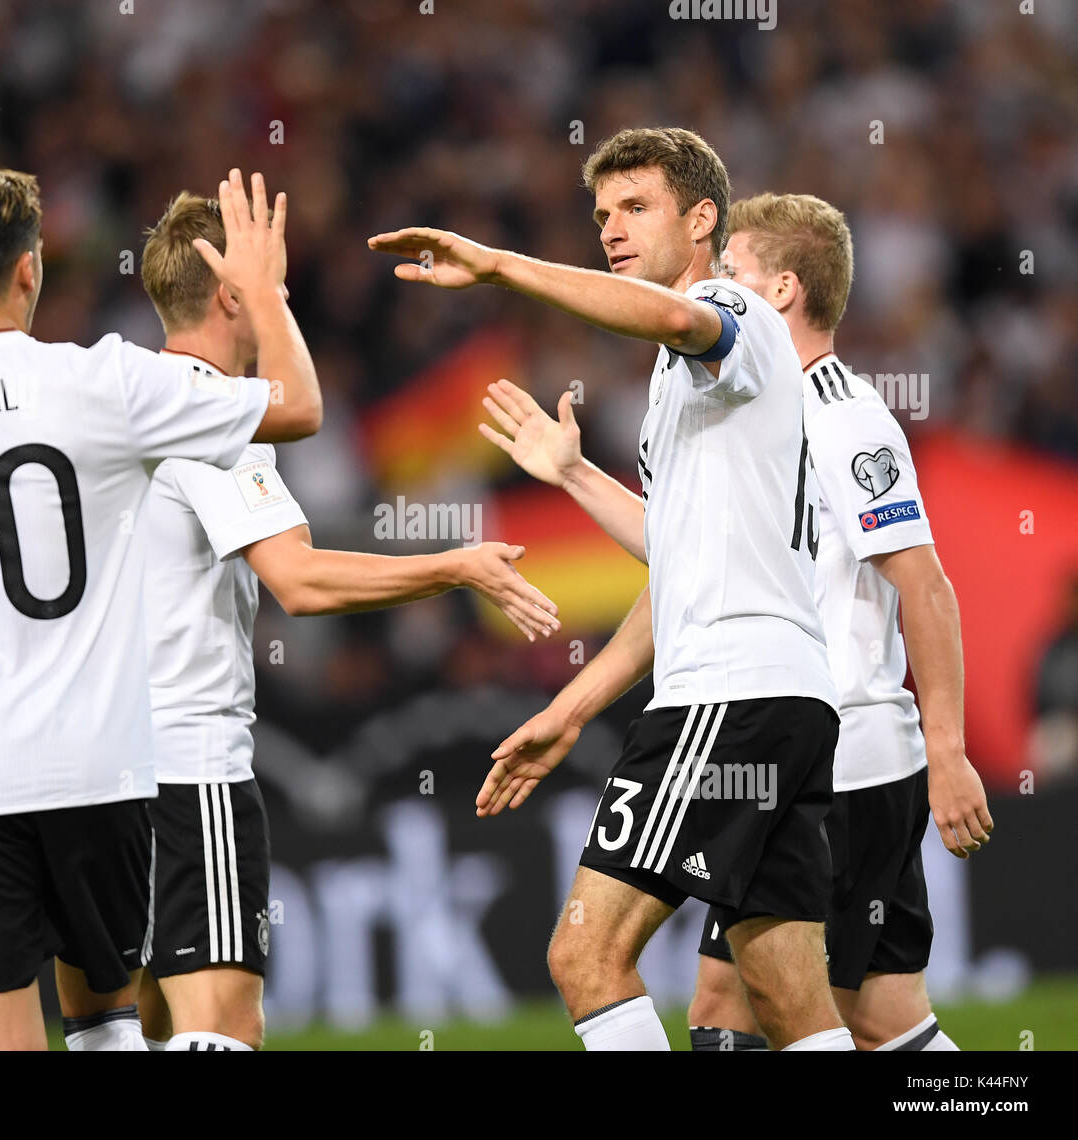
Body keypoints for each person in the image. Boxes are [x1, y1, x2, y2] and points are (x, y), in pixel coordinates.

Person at [0, 162, 320, 1050]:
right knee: (116, 1025)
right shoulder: (106, 382)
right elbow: (297, 408)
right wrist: (262, 295)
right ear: (31, 268)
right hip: (105, 775)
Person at [371, 127, 849, 1050]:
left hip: (726, 694)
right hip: (782, 696)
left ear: (701, 219)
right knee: (790, 1002)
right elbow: (673, 563)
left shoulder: (728, 311)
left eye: (636, 208)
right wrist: (576, 480)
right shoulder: (692, 383)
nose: (612, 229)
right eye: (601, 215)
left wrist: (500, 265)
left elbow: (674, 317)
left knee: (584, 956)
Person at [130, 190, 560, 1052]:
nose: (285, 293)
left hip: (94, 769)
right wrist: (453, 565)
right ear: (231, 292)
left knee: (138, 1018)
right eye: (270, 279)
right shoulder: (210, 414)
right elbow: (300, 579)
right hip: (187, 765)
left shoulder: (114, 402)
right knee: (223, 1025)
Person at [686, 192, 992, 1050]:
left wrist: (949, 751)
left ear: (781, 290)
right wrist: (571, 475)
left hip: (843, 760)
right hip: (819, 757)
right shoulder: (767, 413)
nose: (716, 291)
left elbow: (925, 587)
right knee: (884, 1022)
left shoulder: (845, 417)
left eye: (732, 273)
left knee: (727, 1003)